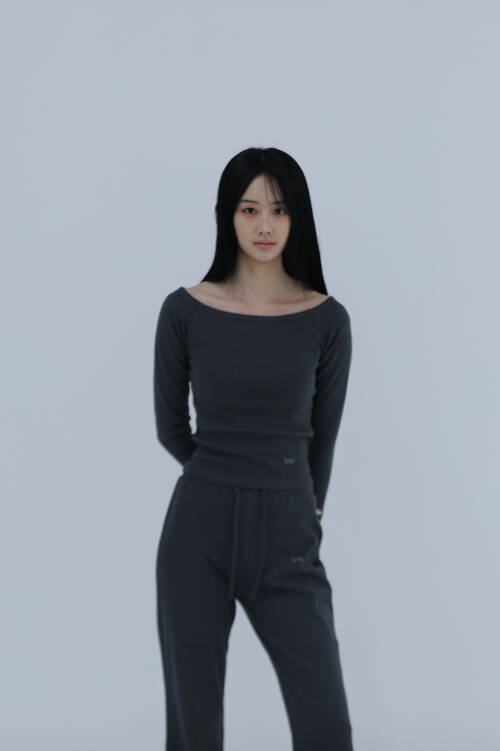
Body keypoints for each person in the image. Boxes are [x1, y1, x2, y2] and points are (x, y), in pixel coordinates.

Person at [153, 147, 354, 750]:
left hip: (288, 533)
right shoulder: (185, 310)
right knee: (194, 730)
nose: (265, 225)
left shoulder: (326, 320)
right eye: (249, 209)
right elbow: (171, 427)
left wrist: (303, 508)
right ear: (227, 216)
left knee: (326, 727)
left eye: (279, 210)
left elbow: (324, 435)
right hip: (198, 531)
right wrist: (219, 478)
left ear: (298, 219)